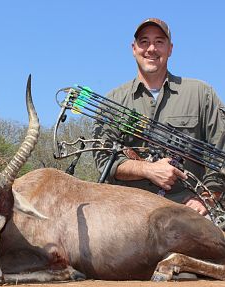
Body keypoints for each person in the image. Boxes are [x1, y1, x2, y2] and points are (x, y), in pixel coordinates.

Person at [93, 18, 225, 216]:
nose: (151, 48)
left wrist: (205, 200)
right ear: (133, 48)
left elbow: (221, 152)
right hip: (127, 212)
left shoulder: (201, 93)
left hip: (187, 209)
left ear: (170, 49)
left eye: (159, 42)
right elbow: (104, 160)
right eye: (144, 41)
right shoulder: (113, 100)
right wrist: (148, 170)